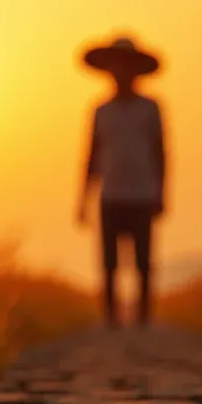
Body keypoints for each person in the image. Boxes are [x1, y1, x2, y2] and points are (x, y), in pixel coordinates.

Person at [76, 35, 166, 328]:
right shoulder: (101, 111)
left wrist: (161, 193)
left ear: (136, 70)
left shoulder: (150, 109)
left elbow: (161, 152)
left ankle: (143, 318)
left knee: (143, 262)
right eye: (116, 65)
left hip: (142, 192)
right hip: (111, 194)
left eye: (126, 65)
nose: (121, 71)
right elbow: (91, 155)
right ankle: (111, 319)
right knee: (109, 262)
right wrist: (83, 199)